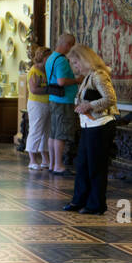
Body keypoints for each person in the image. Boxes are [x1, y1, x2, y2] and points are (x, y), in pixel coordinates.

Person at [65, 45, 120, 214]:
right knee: (82, 165)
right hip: (89, 125)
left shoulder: (99, 75)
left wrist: (89, 105)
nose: (76, 67)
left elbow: (110, 98)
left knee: (96, 167)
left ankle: (96, 204)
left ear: (85, 59)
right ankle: (79, 200)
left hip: (101, 126)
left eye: (77, 62)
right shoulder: (88, 76)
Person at [45, 33, 78, 176]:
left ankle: (53, 164)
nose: (71, 49)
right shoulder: (62, 61)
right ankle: (58, 165)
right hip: (63, 100)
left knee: (53, 133)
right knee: (61, 134)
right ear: (66, 44)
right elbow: (62, 81)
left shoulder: (51, 58)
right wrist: (77, 80)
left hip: (53, 98)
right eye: (71, 45)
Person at [25, 47, 52, 170]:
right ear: (43, 57)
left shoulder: (46, 70)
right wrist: (49, 90)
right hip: (37, 104)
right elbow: (34, 89)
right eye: (48, 57)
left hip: (47, 103)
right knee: (36, 130)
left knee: (46, 132)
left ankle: (45, 159)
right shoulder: (34, 71)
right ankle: (32, 160)